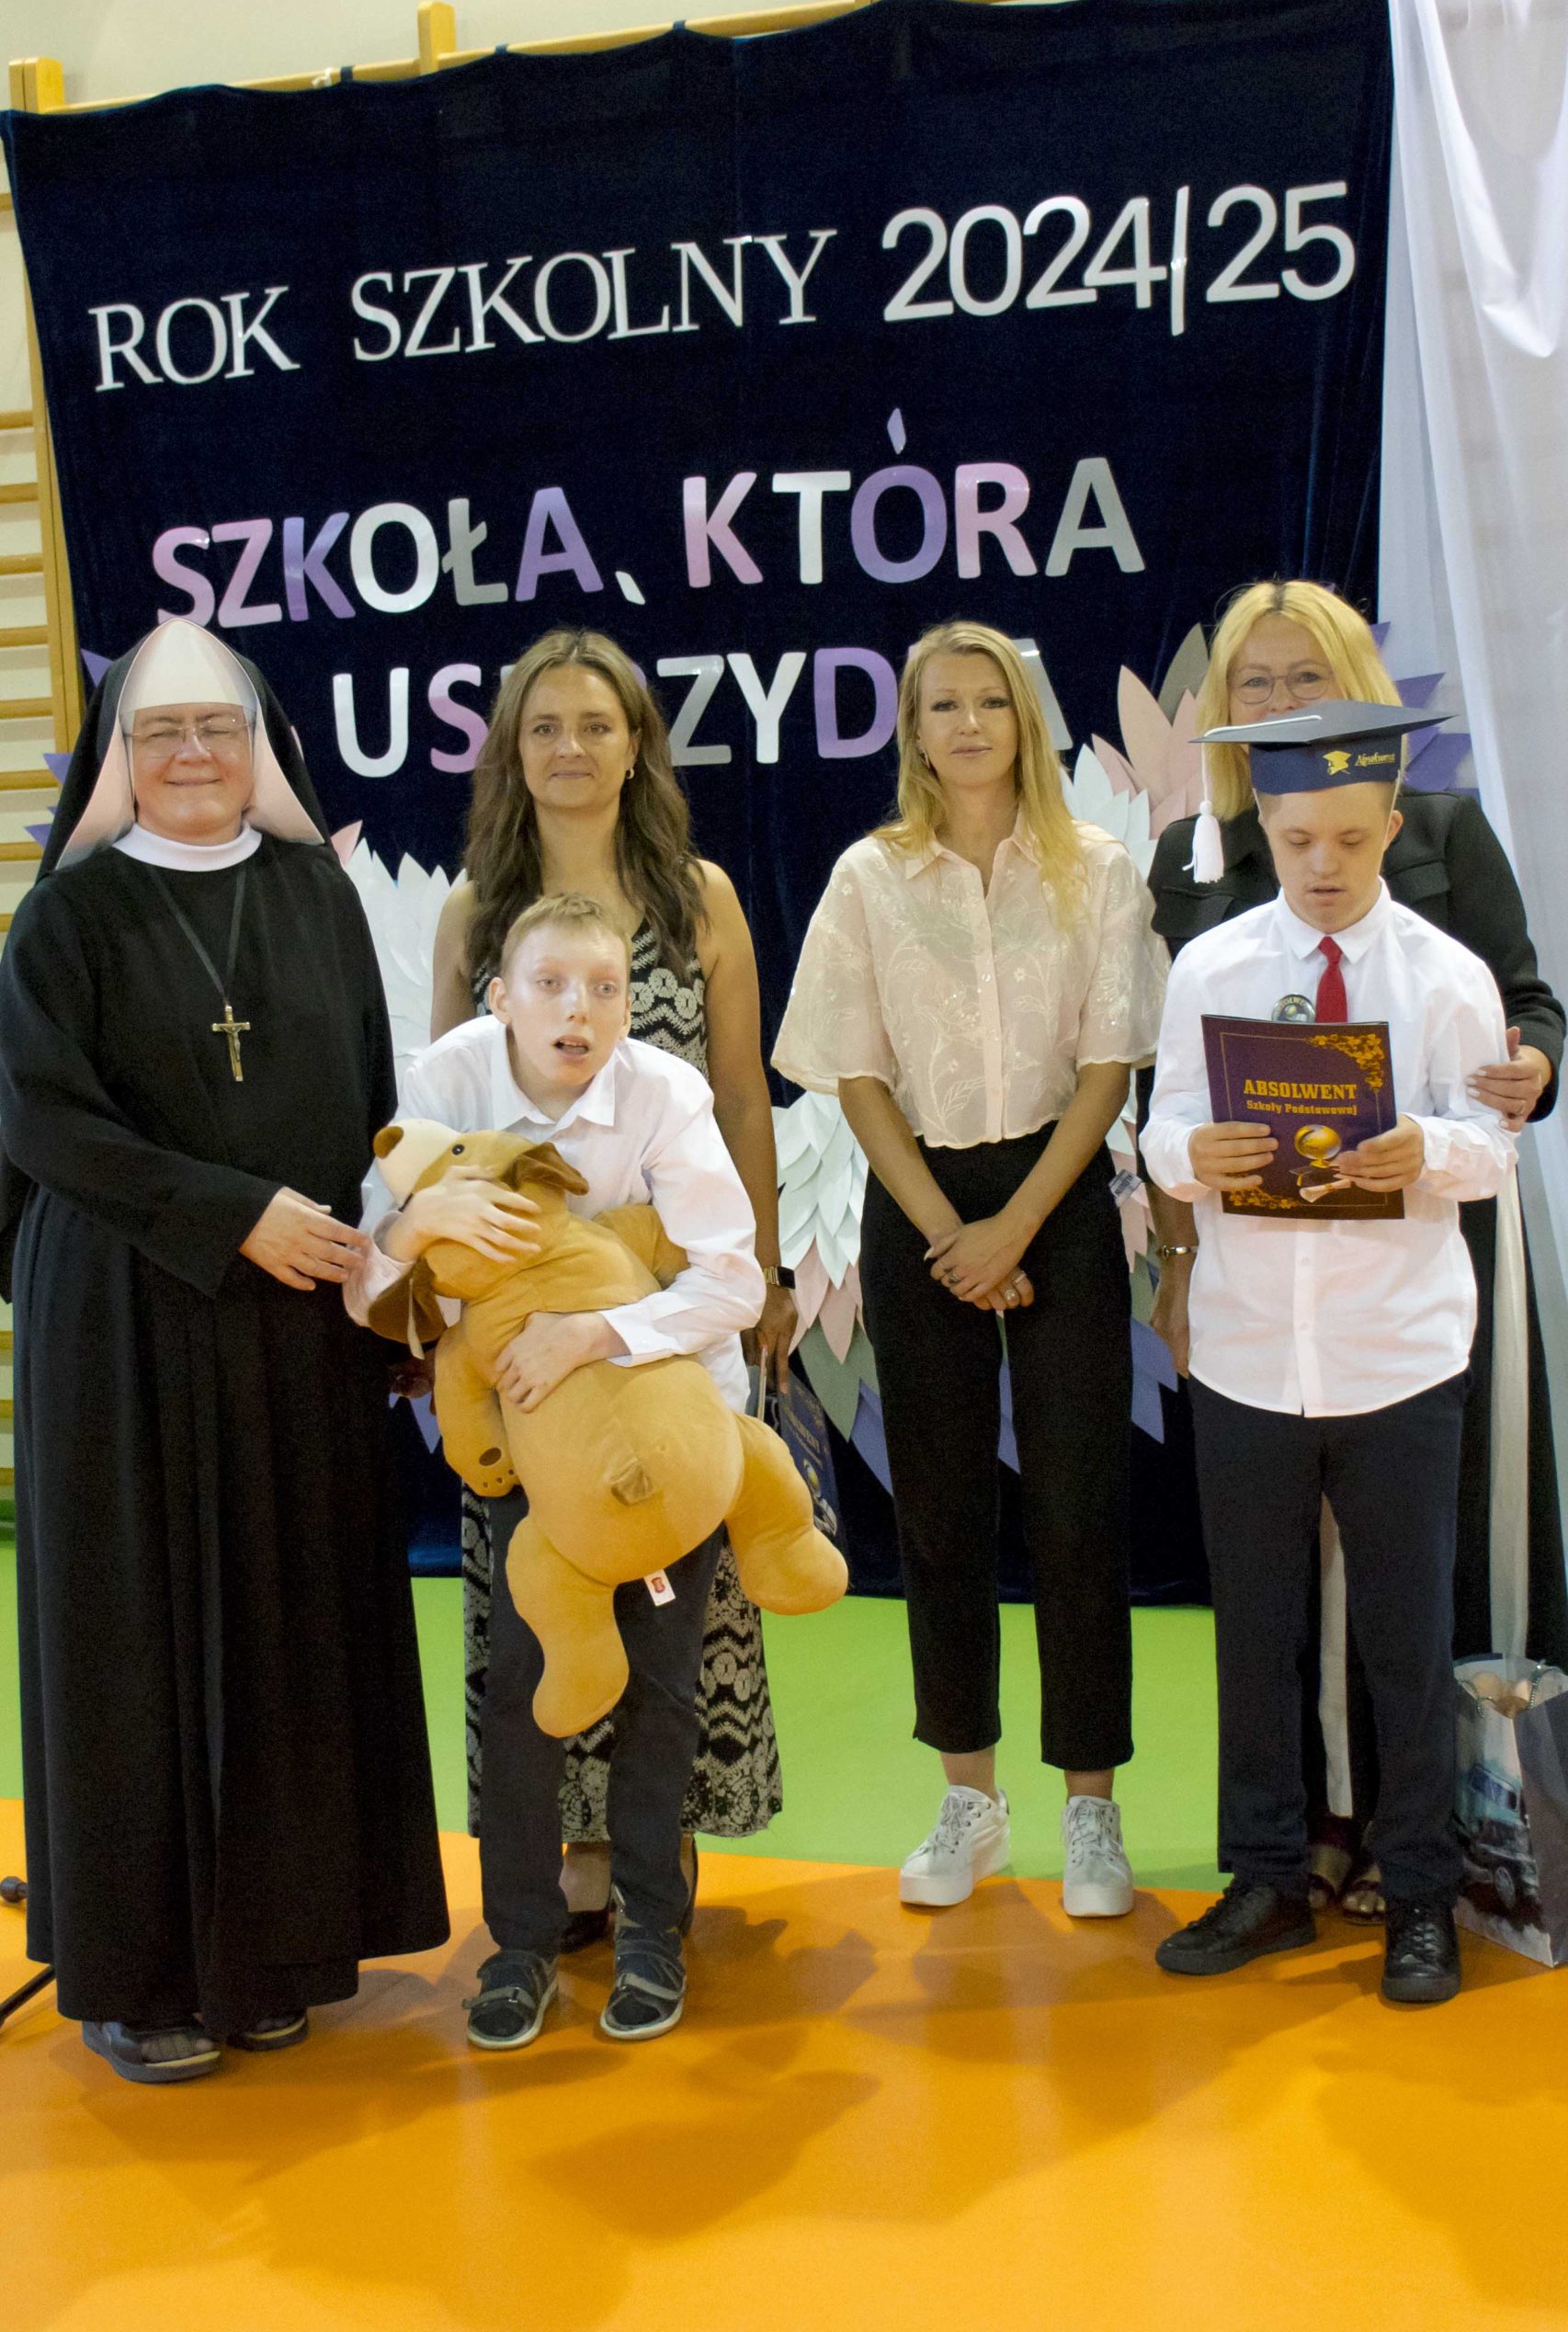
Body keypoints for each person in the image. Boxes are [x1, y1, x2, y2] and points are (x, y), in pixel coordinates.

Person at [0, 620, 448, 2087]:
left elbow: (370, 1102)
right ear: (119, 762)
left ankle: (281, 1951)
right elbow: (42, 1122)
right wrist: (233, 1214)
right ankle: (146, 1980)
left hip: (298, 1319)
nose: (192, 755)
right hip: (125, 1325)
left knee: (290, 1629)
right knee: (141, 1642)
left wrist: (392, 1294)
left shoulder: (316, 896)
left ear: (260, 752)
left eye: (218, 730)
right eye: (161, 734)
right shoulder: (65, 922)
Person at [1145, 578, 1566, 1918]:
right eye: (1293, 839)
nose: (1319, 863)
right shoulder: (1209, 965)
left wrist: (1425, 1148)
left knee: (1403, 1631)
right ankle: (1264, 1876)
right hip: (1250, 1351)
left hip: (1398, 1351)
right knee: (1254, 1633)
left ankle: (1422, 1895)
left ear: (1386, 823)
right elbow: (1160, 1125)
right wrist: (1187, 1161)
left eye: (1344, 837)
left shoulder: (1446, 973)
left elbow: (1490, 1135)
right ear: (1263, 826)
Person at [773, 620, 1168, 1917]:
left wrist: (1013, 1227)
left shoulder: (1095, 867)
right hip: (920, 1204)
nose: (967, 725)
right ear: (912, 730)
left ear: (1024, 717)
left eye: (989, 701)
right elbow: (854, 1073)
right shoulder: (868, 875)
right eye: (940, 705)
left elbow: (1108, 1067)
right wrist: (950, 1226)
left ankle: (1090, 1808)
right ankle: (968, 1800)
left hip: (1056, 1194)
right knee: (939, 1514)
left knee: (1077, 1510)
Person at [350, 892, 765, 2044]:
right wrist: (415, 1226)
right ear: (499, 997)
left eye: (604, 988)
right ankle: (519, 1942)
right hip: (528, 1452)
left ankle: (650, 1930)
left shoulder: (664, 1092)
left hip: (668, 1439)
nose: (577, 1011)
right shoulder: (446, 1080)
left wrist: (592, 1332)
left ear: (630, 1004)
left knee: (661, 1691)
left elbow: (733, 1280)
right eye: (549, 985)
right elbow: (370, 1275)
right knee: (521, 1690)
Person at [428, 631, 790, 1941]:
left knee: (671, 1576)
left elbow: (741, 1096)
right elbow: (444, 1139)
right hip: (521, 1341)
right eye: (544, 726)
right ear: (511, 752)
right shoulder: (473, 910)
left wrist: (764, 1268)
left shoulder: (699, 899)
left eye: (595, 724)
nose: (569, 748)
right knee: (539, 1591)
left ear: (637, 745)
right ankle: (558, 1855)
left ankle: (653, 1844)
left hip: (663, 1322)